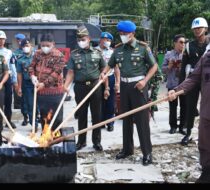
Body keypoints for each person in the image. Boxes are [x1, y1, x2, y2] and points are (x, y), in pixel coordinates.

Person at [100, 20, 158, 166]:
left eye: (125, 34)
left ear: (132, 34)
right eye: (120, 34)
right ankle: (127, 149)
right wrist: (104, 73)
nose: (122, 36)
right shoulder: (118, 49)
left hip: (138, 87)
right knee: (126, 119)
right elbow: (110, 65)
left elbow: (154, 66)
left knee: (142, 121)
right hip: (124, 87)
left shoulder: (143, 48)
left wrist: (145, 81)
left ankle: (147, 153)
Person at [168, 48, 210, 183]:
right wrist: (177, 90)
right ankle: (207, 172)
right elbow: (193, 78)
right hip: (207, 110)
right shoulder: (206, 58)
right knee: (204, 142)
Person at [64, 25, 106, 151]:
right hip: (80, 87)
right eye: (79, 39)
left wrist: (105, 81)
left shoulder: (97, 53)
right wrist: (65, 86)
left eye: (83, 38)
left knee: (96, 115)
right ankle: (81, 141)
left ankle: (96, 141)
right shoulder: (74, 54)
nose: (80, 41)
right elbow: (70, 72)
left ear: (88, 38)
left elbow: (103, 68)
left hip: (95, 86)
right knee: (81, 115)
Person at [179, 17, 209, 145]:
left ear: (206, 29)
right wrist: (181, 85)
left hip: (207, 79)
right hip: (193, 79)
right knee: (190, 106)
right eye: (195, 28)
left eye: (199, 28)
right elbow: (183, 65)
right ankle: (189, 132)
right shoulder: (188, 45)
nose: (197, 30)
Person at [28, 33, 65, 132]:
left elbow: (56, 73)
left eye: (47, 45)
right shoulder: (37, 53)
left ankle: (55, 137)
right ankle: (45, 136)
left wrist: (43, 84)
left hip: (55, 92)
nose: (45, 47)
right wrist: (32, 76)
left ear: (53, 44)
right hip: (41, 91)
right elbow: (31, 66)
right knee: (44, 115)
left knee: (56, 116)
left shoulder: (59, 56)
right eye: (43, 45)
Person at [95, 32, 120, 132]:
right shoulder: (95, 51)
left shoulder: (112, 52)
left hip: (110, 78)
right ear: (100, 40)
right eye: (105, 39)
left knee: (110, 102)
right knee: (98, 101)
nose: (106, 42)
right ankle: (100, 121)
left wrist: (118, 81)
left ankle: (110, 122)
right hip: (98, 79)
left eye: (109, 40)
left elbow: (116, 68)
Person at [162, 34, 187, 135]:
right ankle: (173, 126)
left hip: (184, 85)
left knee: (184, 106)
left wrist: (183, 67)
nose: (183, 44)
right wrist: (169, 66)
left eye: (184, 43)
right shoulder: (168, 54)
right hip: (172, 84)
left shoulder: (187, 54)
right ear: (175, 43)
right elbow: (162, 70)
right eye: (181, 42)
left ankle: (183, 127)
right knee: (172, 107)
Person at [0, 30, 18, 129]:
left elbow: (12, 66)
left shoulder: (9, 52)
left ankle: (8, 121)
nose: (1, 41)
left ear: (5, 40)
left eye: (2, 39)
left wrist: (15, 80)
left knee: (8, 101)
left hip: (7, 78)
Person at [16, 38, 37, 128]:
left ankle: (43, 122)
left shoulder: (37, 56)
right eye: (24, 46)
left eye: (27, 46)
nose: (26, 48)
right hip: (27, 84)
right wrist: (19, 87)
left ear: (31, 46)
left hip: (38, 83)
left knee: (40, 104)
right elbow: (19, 74)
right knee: (30, 104)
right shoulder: (20, 59)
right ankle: (34, 125)